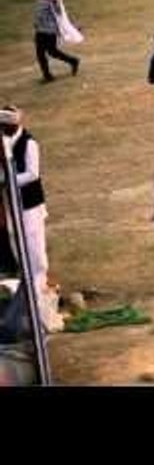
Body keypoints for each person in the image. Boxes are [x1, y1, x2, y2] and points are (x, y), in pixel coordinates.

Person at [0, 106, 58, 331]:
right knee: (21, 258)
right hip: (10, 208)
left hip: (30, 208)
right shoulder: (4, 143)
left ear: (13, 125)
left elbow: (33, 174)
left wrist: (7, 180)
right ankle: (29, 311)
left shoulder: (29, 143)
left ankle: (40, 314)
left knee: (37, 261)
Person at [33, 0, 80, 82]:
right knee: (49, 52)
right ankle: (72, 61)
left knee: (45, 53)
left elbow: (59, 12)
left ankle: (48, 75)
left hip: (48, 30)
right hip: (41, 29)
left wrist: (56, 3)